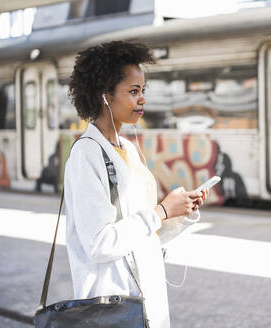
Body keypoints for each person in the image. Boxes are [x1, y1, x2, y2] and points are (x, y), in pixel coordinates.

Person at [64, 41, 209, 328]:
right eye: (133, 91)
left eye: (143, 91)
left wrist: (179, 213)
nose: (142, 99)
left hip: (146, 300)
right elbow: (100, 244)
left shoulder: (128, 150)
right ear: (104, 95)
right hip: (113, 305)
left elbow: (142, 233)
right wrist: (161, 211)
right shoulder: (87, 154)